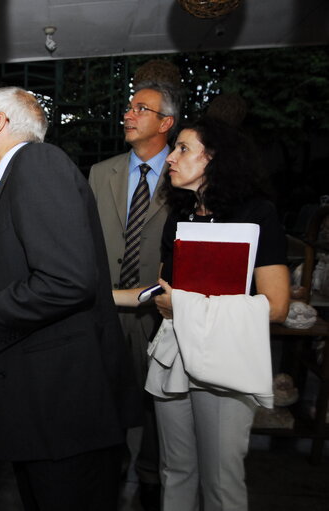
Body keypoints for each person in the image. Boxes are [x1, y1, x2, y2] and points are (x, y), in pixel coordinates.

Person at [0, 86, 141, 511]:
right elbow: (38, 269)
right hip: (45, 410)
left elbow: (67, 281)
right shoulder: (19, 176)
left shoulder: (37, 163)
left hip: (63, 411)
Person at [116, 116, 290, 510]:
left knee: (220, 482)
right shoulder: (178, 219)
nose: (171, 158)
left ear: (214, 159)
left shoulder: (256, 214)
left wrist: (185, 306)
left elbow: (277, 307)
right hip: (174, 355)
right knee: (174, 472)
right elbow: (159, 292)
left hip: (226, 363)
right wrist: (98, 294)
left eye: (182, 149)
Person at [88, 80, 182, 510]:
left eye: (140, 109)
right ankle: (109, 469)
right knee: (103, 394)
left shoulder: (185, 176)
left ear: (166, 122)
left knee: (157, 403)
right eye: (128, 107)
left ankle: (150, 477)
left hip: (160, 314)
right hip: (105, 305)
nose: (128, 115)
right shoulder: (100, 172)